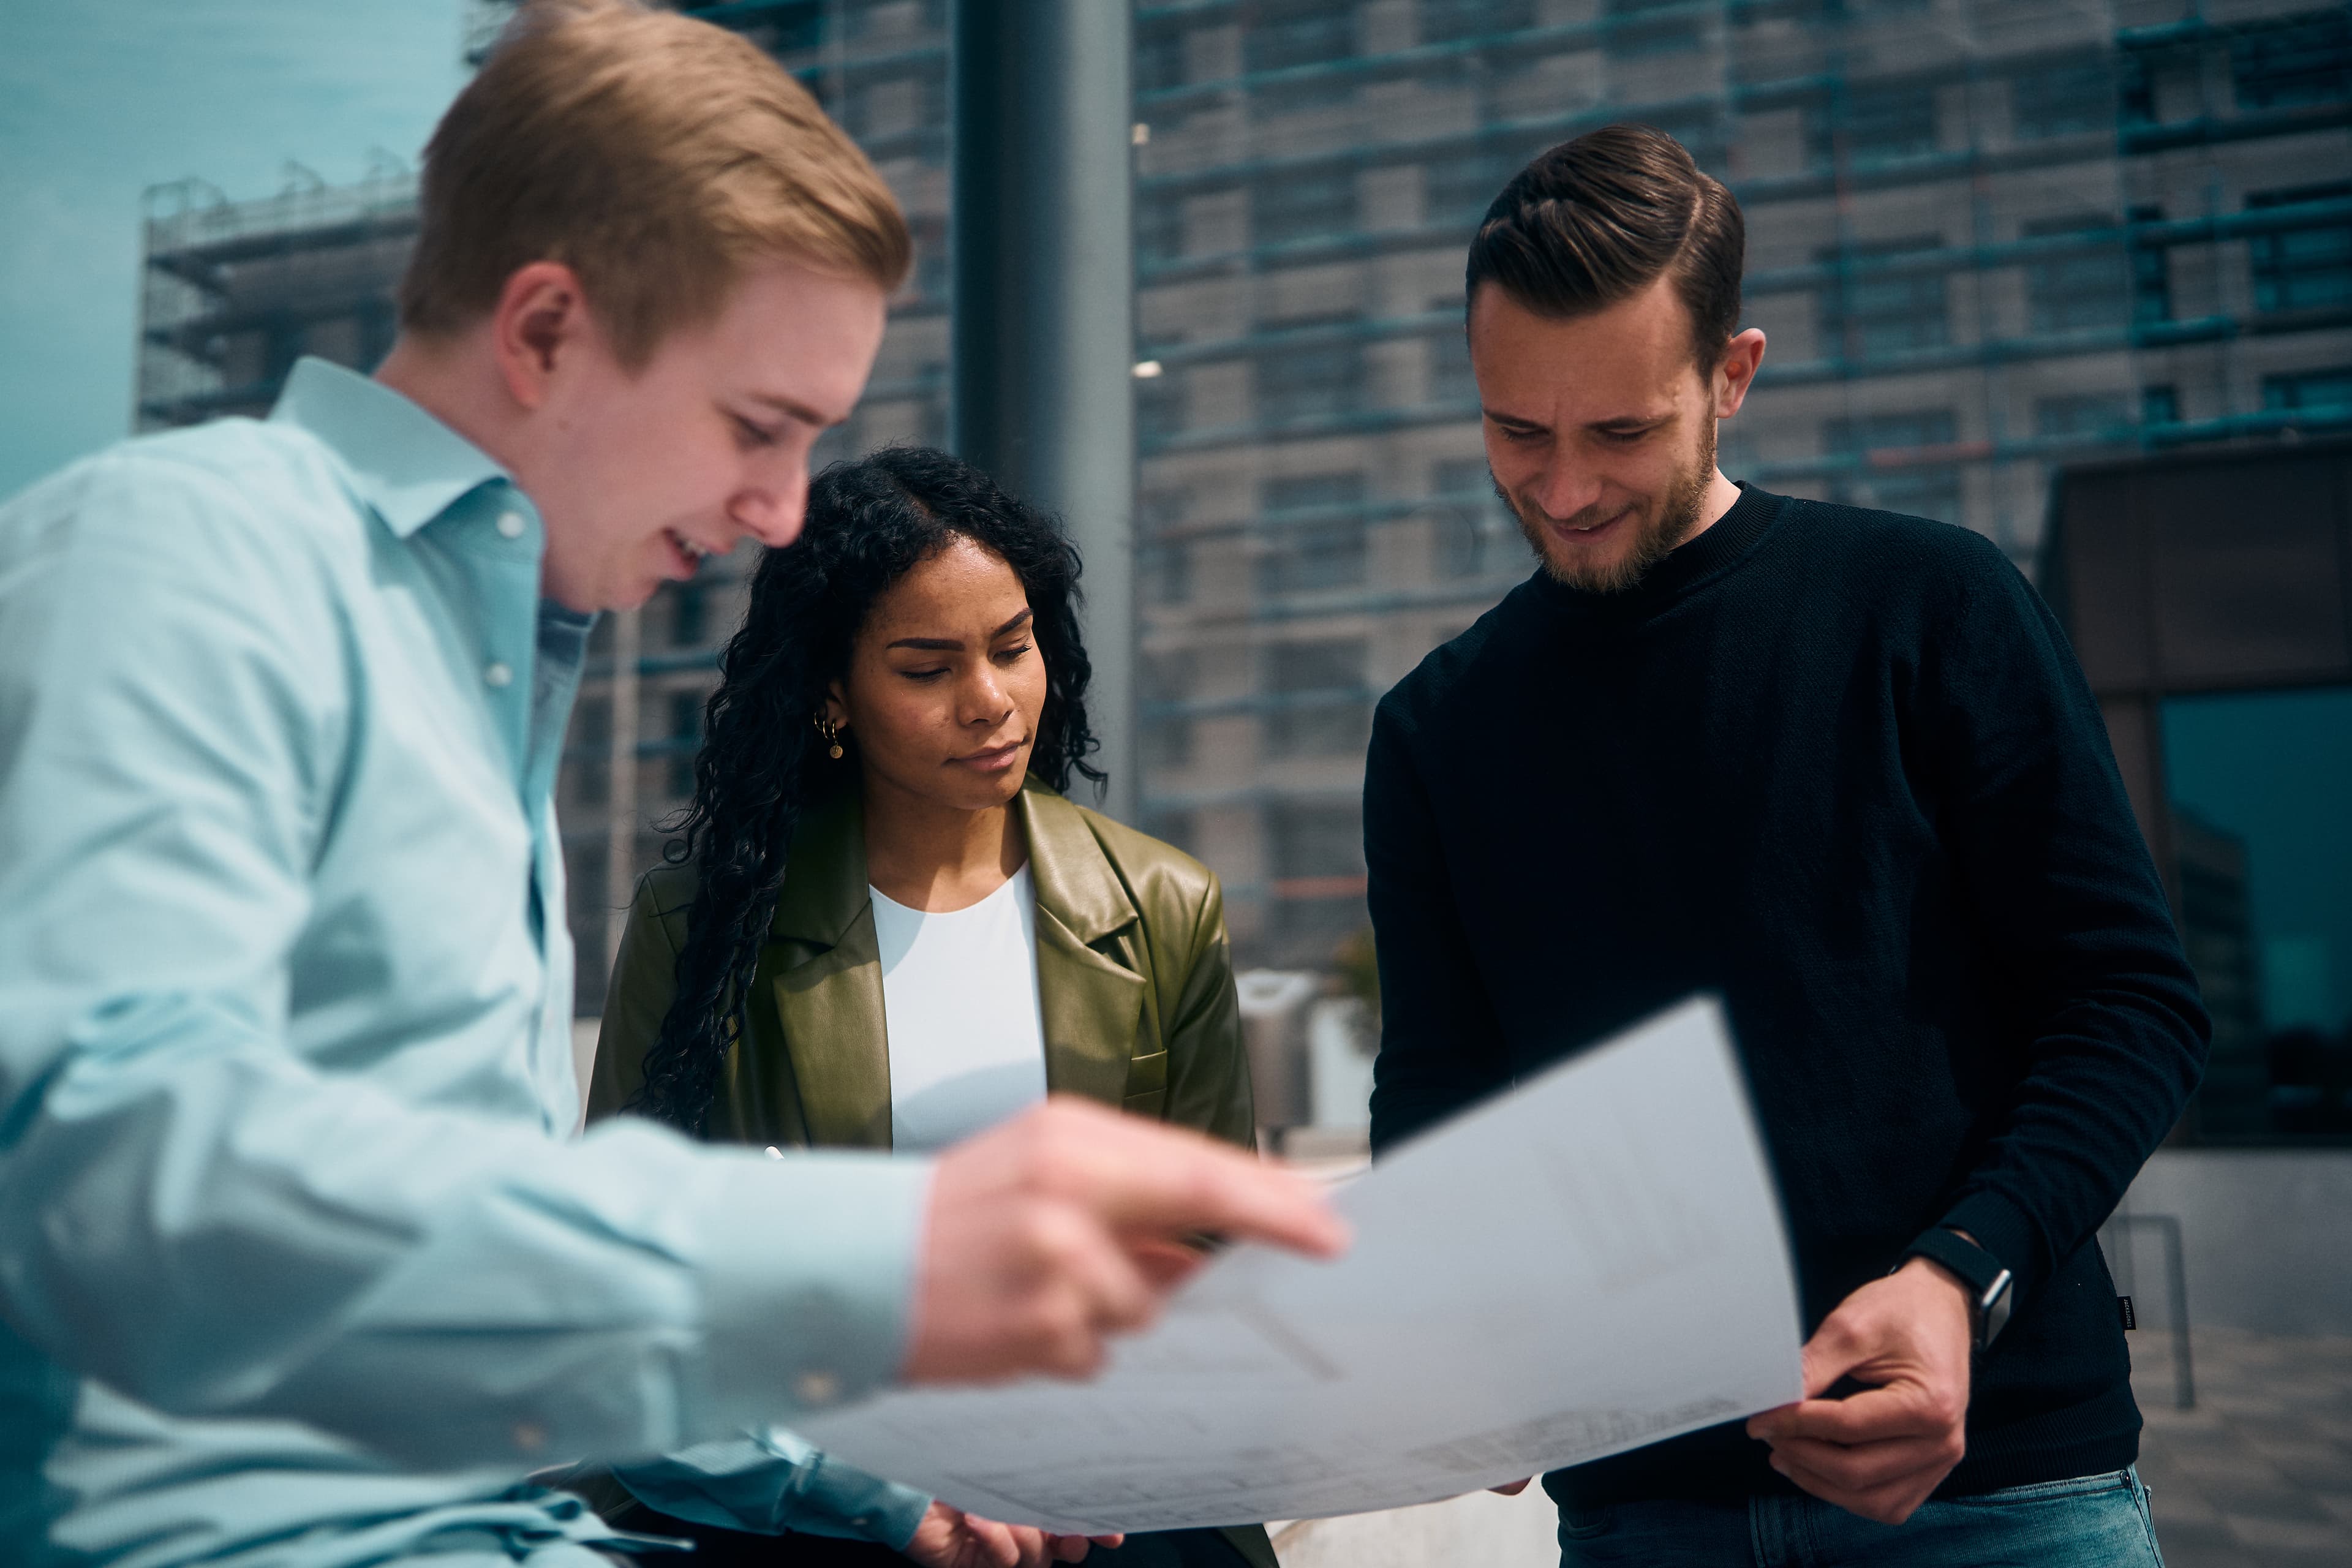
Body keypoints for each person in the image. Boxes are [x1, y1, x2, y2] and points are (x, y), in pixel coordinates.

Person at [0, 4, 1340, 1564]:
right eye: (759, 427)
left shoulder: (478, 673)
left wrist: (867, 1486)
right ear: (546, 331)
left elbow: (505, 1294)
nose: (779, 510)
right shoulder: (186, 554)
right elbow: (111, 1156)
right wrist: (879, 1249)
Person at [1363, 124, 2206, 1566]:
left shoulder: (1934, 605)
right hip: (1641, 1514)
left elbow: (2131, 1004)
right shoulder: (1435, 728)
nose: (1563, 487)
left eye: (1620, 432)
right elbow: (1444, 1096)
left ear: (1732, 375)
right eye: (1517, 430)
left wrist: (1963, 1276)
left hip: (2000, 1491)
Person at [580, 446, 1277, 1568]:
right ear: (833, 693)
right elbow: (629, 1279)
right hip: (819, 1502)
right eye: (926, 668)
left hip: (1099, 1494)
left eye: (1013, 646)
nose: (990, 701)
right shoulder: (700, 924)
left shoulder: (1162, 905)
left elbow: (1208, 1252)